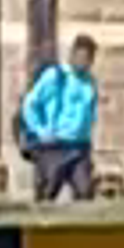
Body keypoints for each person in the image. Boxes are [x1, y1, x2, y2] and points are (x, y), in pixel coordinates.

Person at [15, 31, 101, 202]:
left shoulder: (90, 81)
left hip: (79, 147)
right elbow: (30, 104)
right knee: (47, 195)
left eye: (88, 59)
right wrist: (41, 131)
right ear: (73, 55)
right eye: (82, 57)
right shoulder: (55, 76)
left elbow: (90, 113)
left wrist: (90, 143)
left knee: (85, 193)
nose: (84, 62)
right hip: (54, 146)